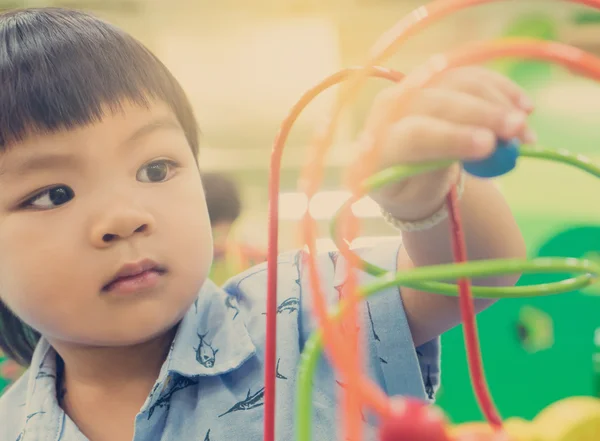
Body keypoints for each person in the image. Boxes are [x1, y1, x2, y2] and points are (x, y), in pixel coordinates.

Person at [0, 8, 529, 441]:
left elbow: (476, 271)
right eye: (53, 195)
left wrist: (423, 196)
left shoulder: (303, 311)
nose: (125, 217)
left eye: (155, 169)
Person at [201, 172, 267, 285]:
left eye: (226, 232)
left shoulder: (254, 260)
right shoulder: (183, 266)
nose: (220, 242)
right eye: (214, 233)